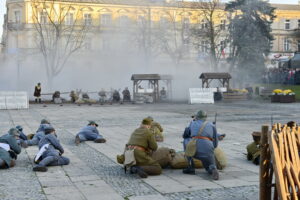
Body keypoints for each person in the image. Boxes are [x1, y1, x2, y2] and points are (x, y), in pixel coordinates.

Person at [183, 110, 219, 180]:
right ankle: (213, 169)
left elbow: (185, 135)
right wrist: (212, 150)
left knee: (186, 140)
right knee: (209, 165)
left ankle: (190, 166)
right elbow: (215, 141)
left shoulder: (192, 123)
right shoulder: (212, 125)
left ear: (196, 117)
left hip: (194, 150)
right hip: (208, 148)